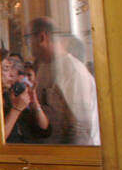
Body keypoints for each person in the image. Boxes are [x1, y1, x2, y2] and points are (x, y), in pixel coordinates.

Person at [30, 17, 101, 145]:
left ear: (42, 37)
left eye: (27, 39)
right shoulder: (44, 66)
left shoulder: (72, 71)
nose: (26, 44)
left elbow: (80, 127)